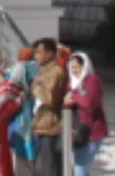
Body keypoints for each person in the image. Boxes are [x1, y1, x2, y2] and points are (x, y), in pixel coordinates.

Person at [65, 52, 107, 176]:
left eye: (77, 67)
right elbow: (67, 104)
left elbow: (89, 103)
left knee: (80, 166)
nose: (74, 71)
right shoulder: (72, 83)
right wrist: (67, 101)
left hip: (91, 131)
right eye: (72, 68)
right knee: (81, 166)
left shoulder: (91, 80)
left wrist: (74, 97)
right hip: (76, 130)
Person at [30, 38, 66, 176]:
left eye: (39, 52)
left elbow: (49, 99)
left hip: (50, 125)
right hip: (40, 123)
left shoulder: (55, 72)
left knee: (50, 166)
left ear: (50, 53)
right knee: (42, 165)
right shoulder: (42, 70)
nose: (36, 56)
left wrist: (35, 87)